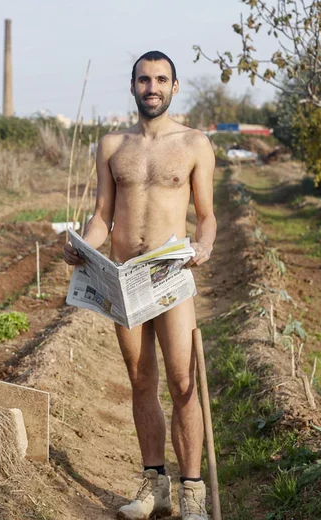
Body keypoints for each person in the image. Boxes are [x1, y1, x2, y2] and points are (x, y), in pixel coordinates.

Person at [63, 50, 216, 520]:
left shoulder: (194, 144)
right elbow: (103, 216)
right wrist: (81, 246)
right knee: (140, 379)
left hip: (169, 275)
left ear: (174, 87)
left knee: (183, 380)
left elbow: (207, 217)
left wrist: (204, 246)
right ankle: (156, 486)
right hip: (123, 276)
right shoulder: (112, 145)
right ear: (132, 86)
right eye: (144, 79)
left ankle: (192, 491)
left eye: (161, 80)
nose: (152, 87)